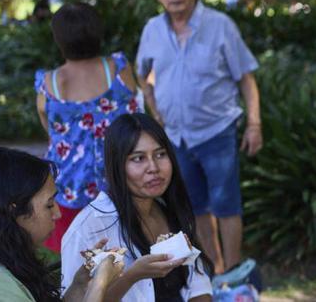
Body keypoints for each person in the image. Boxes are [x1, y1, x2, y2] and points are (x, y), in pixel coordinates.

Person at [136, 0, 262, 274]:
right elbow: (142, 74)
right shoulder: (152, 30)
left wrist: (254, 123)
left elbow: (246, 78)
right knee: (196, 208)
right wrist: (154, 109)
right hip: (175, 137)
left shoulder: (220, 26)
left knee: (227, 205)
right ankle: (215, 269)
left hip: (216, 132)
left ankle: (233, 273)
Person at [0, 148, 121, 302]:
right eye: (49, 205)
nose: (57, 213)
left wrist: (80, 284)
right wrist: (100, 285)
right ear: (14, 211)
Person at [61, 113, 214, 301]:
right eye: (138, 158)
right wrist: (132, 276)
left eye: (160, 154)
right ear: (118, 165)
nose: (153, 167)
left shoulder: (168, 207)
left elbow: (197, 283)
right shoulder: (89, 227)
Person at [35, 2, 140, 253]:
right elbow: (136, 105)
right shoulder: (118, 69)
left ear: (58, 38)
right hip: (120, 180)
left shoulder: (50, 83)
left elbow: (49, 127)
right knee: (127, 251)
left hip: (70, 186)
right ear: (98, 32)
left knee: (77, 257)